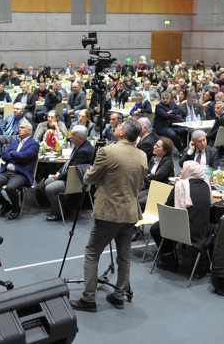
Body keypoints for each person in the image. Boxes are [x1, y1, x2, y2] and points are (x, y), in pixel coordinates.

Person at [70, 118, 147, 313]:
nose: (116, 127)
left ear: (122, 133)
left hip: (110, 212)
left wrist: (90, 173)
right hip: (130, 213)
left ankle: (88, 298)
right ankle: (119, 296)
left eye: (119, 126)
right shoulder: (142, 156)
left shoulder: (108, 151)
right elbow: (140, 185)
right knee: (124, 256)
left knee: (92, 253)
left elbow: (89, 178)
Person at [150, 161, 212, 272]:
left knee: (155, 229)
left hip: (182, 232)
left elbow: (167, 210)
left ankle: (169, 259)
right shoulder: (207, 186)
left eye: (183, 169)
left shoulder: (180, 186)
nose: (181, 172)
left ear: (189, 171)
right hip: (201, 233)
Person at [38, 125, 94, 222]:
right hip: (70, 177)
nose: (70, 137)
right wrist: (58, 173)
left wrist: (59, 176)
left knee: (49, 189)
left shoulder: (84, 151)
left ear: (81, 138)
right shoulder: (79, 146)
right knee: (47, 181)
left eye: (73, 135)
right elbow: (68, 164)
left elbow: (72, 171)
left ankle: (59, 213)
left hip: (76, 181)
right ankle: (63, 207)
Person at [0, 121, 39, 220]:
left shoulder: (34, 144)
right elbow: (4, 155)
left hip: (21, 174)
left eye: (22, 127)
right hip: (7, 171)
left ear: (29, 131)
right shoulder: (14, 142)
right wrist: (15, 156)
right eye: (19, 127)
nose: (19, 129)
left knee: (10, 188)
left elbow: (25, 156)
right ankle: (5, 205)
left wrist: (12, 154)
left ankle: (16, 208)